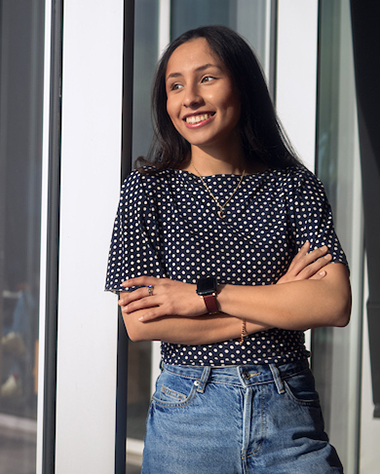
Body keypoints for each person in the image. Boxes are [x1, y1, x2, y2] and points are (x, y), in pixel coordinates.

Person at [105, 25, 351, 473]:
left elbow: (333, 303)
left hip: (288, 409)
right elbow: (140, 322)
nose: (189, 98)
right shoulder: (147, 190)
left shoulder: (295, 186)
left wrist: (202, 298)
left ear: (242, 84)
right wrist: (276, 302)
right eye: (175, 85)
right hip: (188, 415)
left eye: (207, 78)